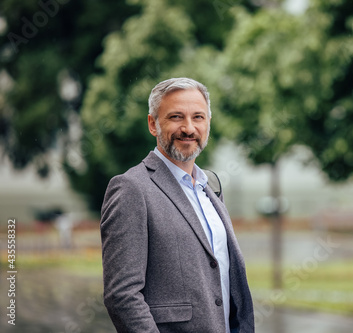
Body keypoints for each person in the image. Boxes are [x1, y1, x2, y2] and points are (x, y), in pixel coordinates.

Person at [100, 77, 254, 333]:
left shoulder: (211, 186)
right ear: (153, 124)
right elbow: (122, 295)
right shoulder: (131, 188)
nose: (188, 128)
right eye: (175, 117)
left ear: (208, 124)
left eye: (198, 117)